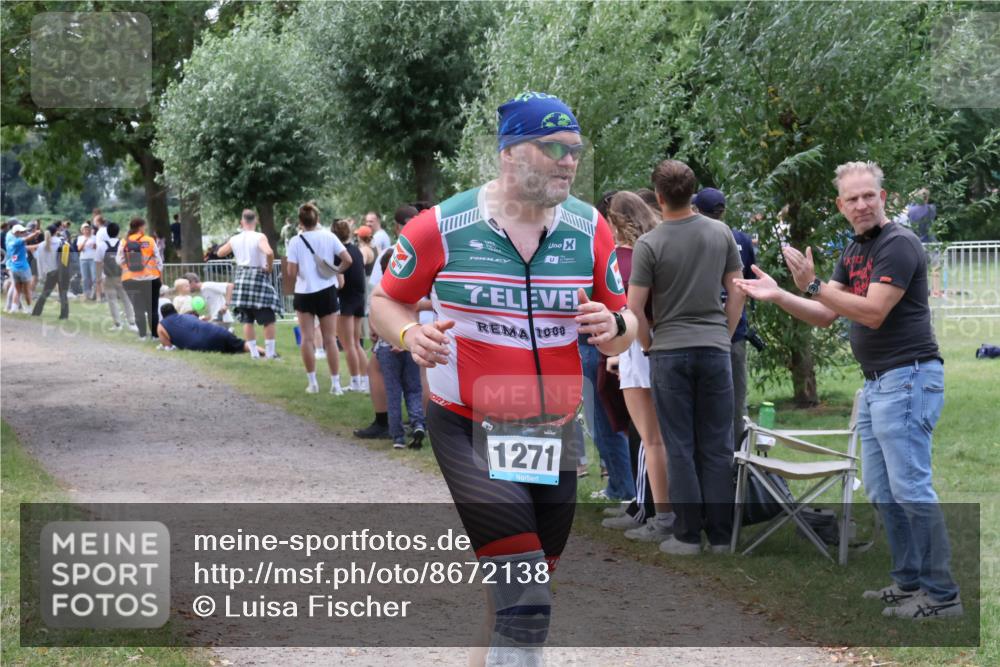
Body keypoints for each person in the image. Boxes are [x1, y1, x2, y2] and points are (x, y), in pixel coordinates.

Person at [370, 91, 635, 664]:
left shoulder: (590, 228)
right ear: (511, 154)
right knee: (527, 598)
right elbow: (384, 303)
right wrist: (409, 335)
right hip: (466, 424)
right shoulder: (440, 225)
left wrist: (614, 324)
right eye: (554, 148)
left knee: (518, 586)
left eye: (575, 150)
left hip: (548, 425)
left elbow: (627, 324)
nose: (569, 161)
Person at [734, 160, 962, 619]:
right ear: (841, 205)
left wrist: (814, 285)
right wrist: (780, 294)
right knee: (881, 489)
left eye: (869, 196)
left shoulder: (898, 244)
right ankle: (908, 582)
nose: (861, 204)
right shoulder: (856, 250)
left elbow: (873, 312)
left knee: (911, 487)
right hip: (879, 384)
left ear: (883, 196)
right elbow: (824, 313)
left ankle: (942, 597)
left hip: (909, 378)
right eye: (852, 199)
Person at [628, 159, 745, 556]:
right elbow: (739, 290)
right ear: (692, 193)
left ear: (658, 197)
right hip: (714, 348)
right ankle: (722, 536)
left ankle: (688, 535)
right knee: (716, 444)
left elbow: (636, 309)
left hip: (670, 352)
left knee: (678, 444)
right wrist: (724, 334)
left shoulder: (650, 244)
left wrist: (648, 344)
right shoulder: (720, 233)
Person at [603, 191, 674, 542]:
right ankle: (657, 510)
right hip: (668, 342)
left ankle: (658, 514)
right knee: (663, 438)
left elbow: (628, 312)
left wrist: (637, 348)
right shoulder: (659, 248)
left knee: (651, 439)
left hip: (641, 349)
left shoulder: (619, 260)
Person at [692, 187, 757, 450]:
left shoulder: (692, 239)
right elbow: (749, 284)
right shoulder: (740, 238)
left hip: (700, 332)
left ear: (697, 210)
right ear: (724, 211)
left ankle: (708, 455)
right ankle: (737, 459)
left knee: (701, 400)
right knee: (735, 400)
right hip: (735, 331)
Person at [286, 203, 353, 393]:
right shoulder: (329, 236)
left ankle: (313, 383)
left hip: (304, 292)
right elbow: (348, 259)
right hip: (326, 290)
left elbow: (291, 271)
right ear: (318, 219)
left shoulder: (295, 241)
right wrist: (335, 272)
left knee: (307, 339)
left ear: (300, 222)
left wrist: (303, 272)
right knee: (330, 339)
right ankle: (336, 384)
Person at [217, 209, 282, 359]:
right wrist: (270, 268)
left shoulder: (235, 239)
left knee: (247, 318)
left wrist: (232, 244)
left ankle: (254, 354)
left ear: (242, 222)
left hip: (241, 276)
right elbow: (269, 252)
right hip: (257, 275)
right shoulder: (259, 236)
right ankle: (270, 353)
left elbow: (220, 252)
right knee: (268, 317)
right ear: (256, 221)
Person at [332, 219, 370, 393]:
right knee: (356, 343)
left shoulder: (339, 253)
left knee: (348, 345)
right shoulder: (356, 251)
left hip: (345, 300)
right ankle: (366, 379)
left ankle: (356, 381)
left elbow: (340, 282)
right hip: (359, 299)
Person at [117, 217, 163, 339]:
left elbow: (118, 260)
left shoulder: (124, 242)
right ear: (141, 227)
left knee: (138, 308)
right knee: (152, 308)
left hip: (130, 280)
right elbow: (159, 261)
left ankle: (142, 335)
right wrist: (158, 273)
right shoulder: (150, 240)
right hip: (151, 279)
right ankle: (154, 336)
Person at [157, 303, 263, 355]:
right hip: (217, 331)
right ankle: (268, 353)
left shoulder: (161, 325)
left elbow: (169, 347)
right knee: (241, 344)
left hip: (200, 344)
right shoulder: (188, 316)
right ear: (175, 310)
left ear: (162, 315)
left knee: (228, 350)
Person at [101, 223, 137, 331]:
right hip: (123, 275)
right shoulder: (124, 244)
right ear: (118, 232)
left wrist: (98, 277)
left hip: (108, 277)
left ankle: (118, 324)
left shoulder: (102, 245)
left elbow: (98, 262)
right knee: (126, 298)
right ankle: (132, 322)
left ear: (107, 232)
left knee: (112, 300)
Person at [29, 225, 70, 319]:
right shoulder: (61, 242)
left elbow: (37, 258)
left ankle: (36, 312)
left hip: (51, 272)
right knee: (63, 294)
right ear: (56, 231)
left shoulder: (41, 245)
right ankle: (64, 315)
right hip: (62, 271)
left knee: (44, 293)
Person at [5, 222, 41, 312]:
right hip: (23, 268)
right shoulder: (18, 241)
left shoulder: (10, 241)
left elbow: (25, 245)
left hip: (14, 268)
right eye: (21, 232)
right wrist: (36, 233)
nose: (23, 233)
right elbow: (27, 238)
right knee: (27, 290)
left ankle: (13, 309)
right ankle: (29, 309)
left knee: (17, 290)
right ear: (16, 232)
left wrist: (36, 245)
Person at [76, 222, 99, 300]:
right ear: (82, 231)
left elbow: (98, 248)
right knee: (85, 278)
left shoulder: (95, 237)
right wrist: (85, 242)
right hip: (83, 259)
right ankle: (86, 294)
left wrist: (94, 246)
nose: (86, 231)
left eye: (88, 229)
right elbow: (79, 249)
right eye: (85, 229)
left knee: (94, 277)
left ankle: (94, 293)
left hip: (93, 259)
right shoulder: (80, 238)